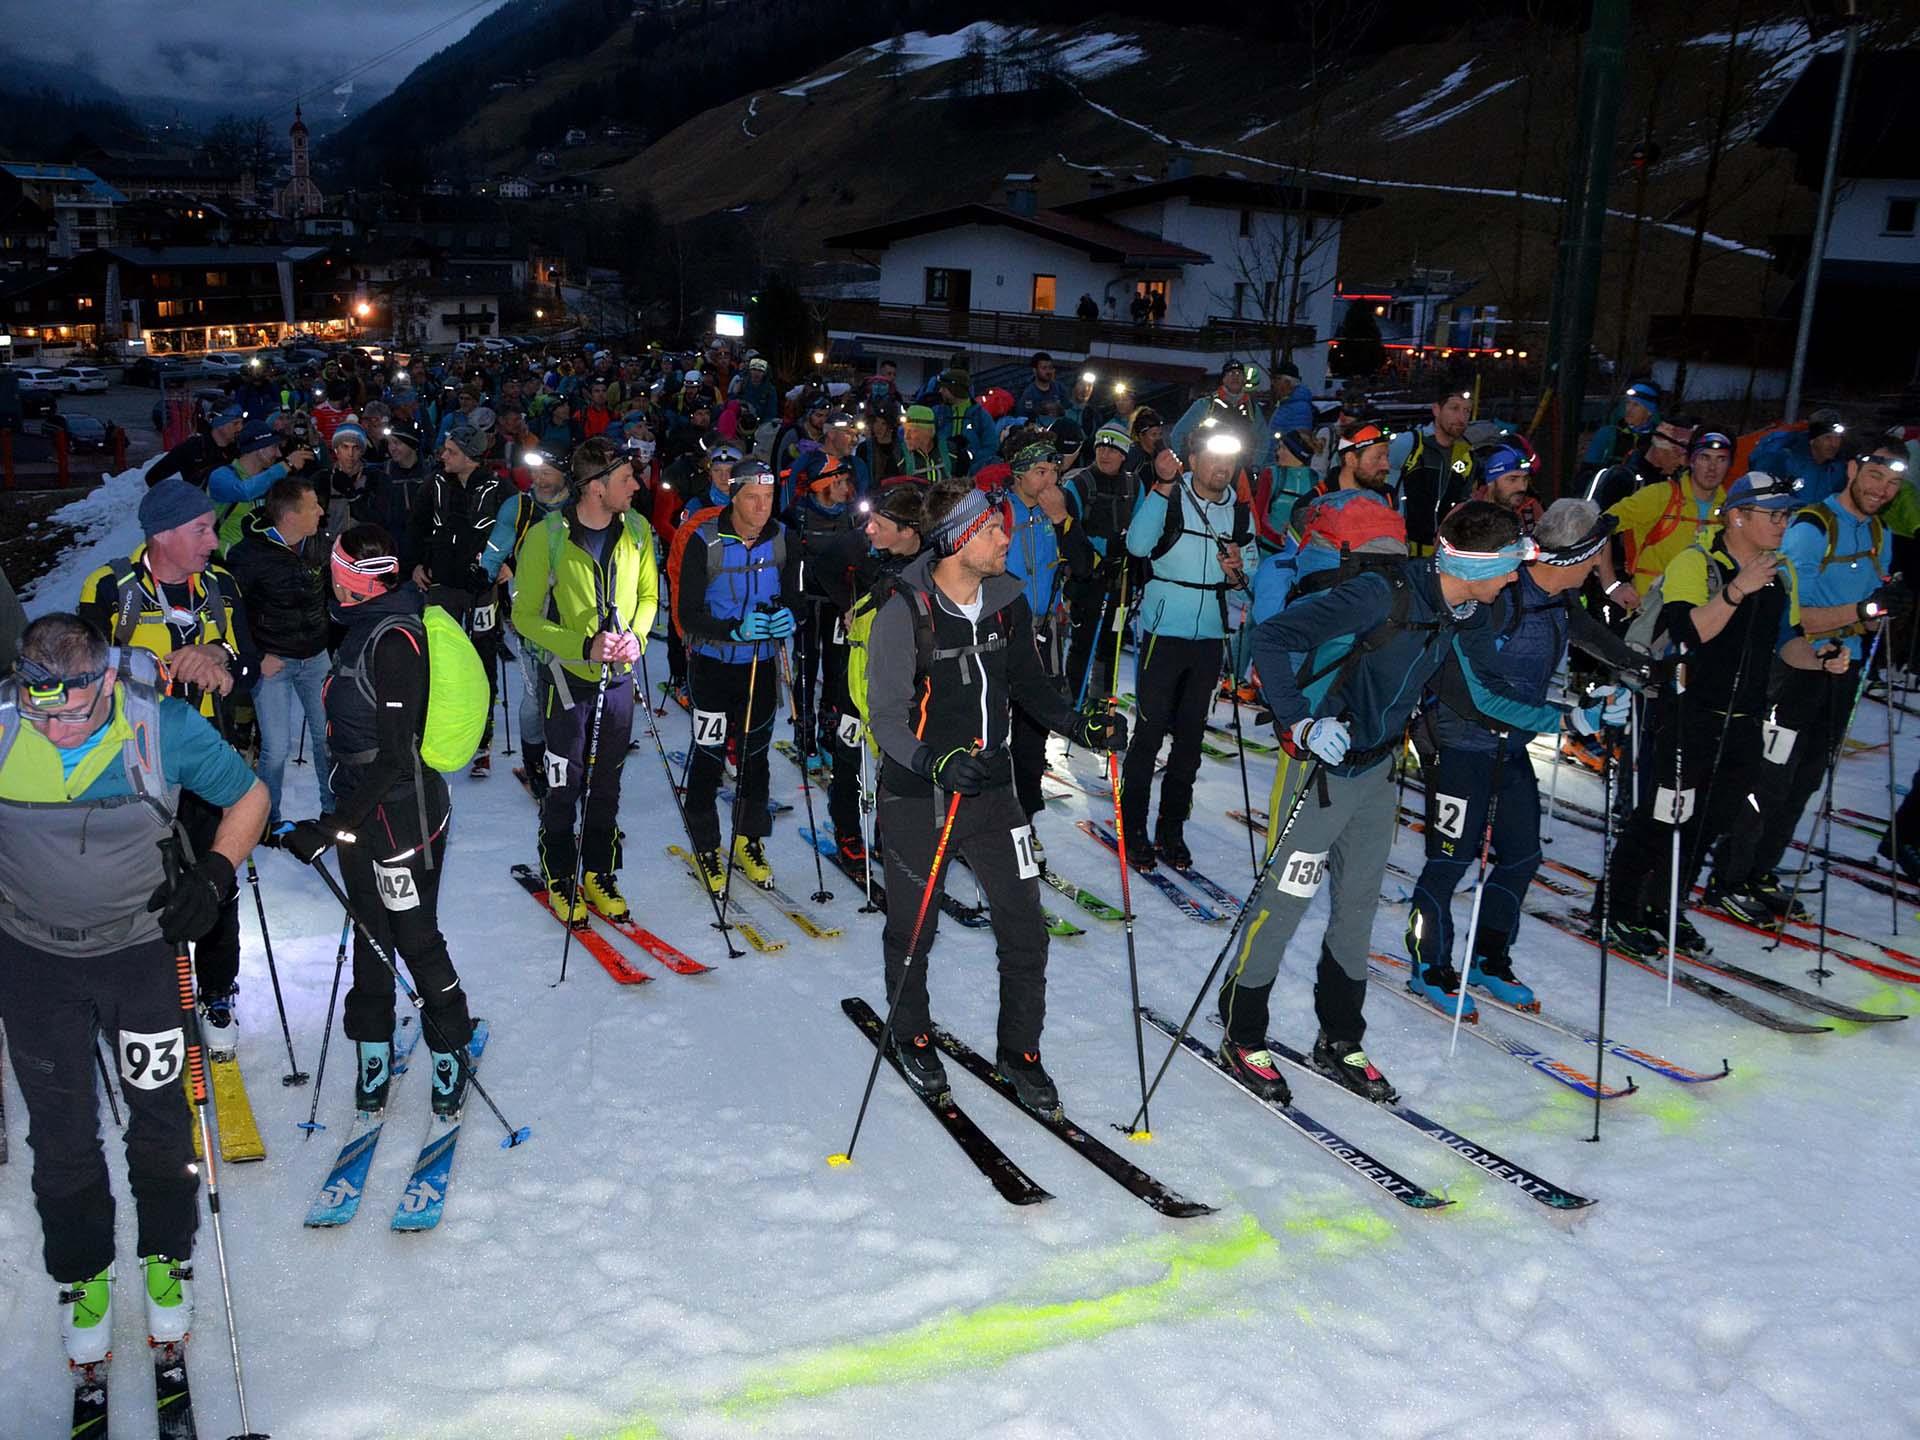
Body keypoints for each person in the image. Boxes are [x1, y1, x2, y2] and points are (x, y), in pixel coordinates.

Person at [1215, 501, 1561, 1106]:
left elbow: (1484, 695)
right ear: (1475, 564)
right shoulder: (1379, 594)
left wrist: (1567, 719)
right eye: (1509, 565)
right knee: (1285, 903)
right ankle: (1242, 1032)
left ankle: (1340, 1037)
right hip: (1319, 770)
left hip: (1377, 773)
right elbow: (1271, 637)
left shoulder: (1468, 611)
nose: (1515, 577)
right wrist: (1300, 722)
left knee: (1357, 908)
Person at [0, 613, 268, 1368]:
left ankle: (165, 1257)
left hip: (141, 955)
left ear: (108, 682)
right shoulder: (5, 729)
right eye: (41, 714)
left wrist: (212, 876)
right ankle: (82, 1272)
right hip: (34, 961)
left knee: (159, 1115)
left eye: (73, 714)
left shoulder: (161, 727)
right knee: (59, 1131)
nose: (56, 731)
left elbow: (250, 798)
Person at [863, 476, 1127, 1105]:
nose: (1006, 536)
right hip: (919, 796)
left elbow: (1030, 687)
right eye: (991, 528)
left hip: (995, 791)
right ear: (958, 541)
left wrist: (1080, 725)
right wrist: (934, 762)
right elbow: (886, 719)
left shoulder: (1007, 601)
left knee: (1026, 929)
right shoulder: (904, 613)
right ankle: (911, 1033)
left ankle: (1020, 1051)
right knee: (914, 930)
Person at [1601, 473, 1850, 959]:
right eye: (1773, 515)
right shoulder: (1697, 562)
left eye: (1786, 514)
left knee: (1709, 822)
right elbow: (1689, 632)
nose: (1782, 523)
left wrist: (1820, 660)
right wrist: (1737, 590)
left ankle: (1665, 905)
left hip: (1744, 720)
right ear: (1737, 516)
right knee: (1662, 817)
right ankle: (1618, 909)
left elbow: (1788, 641)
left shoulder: (1781, 571)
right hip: (1688, 713)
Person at [1406, 500, 1638, 1010]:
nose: (1599, 565)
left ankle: (1489, 958)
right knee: (1450, 860)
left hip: (1510, 745)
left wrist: (1636, 666)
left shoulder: (1558, 597)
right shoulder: (1499, 596)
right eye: (1596, 555)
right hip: (1459, 744)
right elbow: (1475, 690)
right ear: (1577, 555)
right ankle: (1429, 963)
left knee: (1523, 855)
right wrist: (1569, 719)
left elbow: (1584, 630)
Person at [283, 525, 479, 1120]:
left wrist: (333, 824)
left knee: (414, 936)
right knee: (370, 934)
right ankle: (374, 1046)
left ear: (361, 581)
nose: (329, 580)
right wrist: (340, 820)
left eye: (337, 570)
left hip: (402, 816)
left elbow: (395, 755)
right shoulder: (358, 625)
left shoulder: (394, 638)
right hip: (359, 807)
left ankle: (450, 1046)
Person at [77, 478, 261, 1050]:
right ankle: (144, 988)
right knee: (137, 882)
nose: (213, 540)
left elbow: (251, 664)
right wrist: (162, 671)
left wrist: (217, 654)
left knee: (216, 874)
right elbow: (81, 674)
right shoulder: (109, 587)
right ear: (162, 535)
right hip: (132, 762)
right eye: (200, 530)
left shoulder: (222, 585)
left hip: (207, 757)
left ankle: (217, 991)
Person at [1733, 442, 1912, 920]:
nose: (1882, 490)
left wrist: (1884, 610)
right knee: (1770, 777)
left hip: (1843, 668)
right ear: (1852, 470)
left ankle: (1761, 870)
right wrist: (1862, 611)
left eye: (1893, 484)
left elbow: (1867, 614)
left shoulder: (1879, 532)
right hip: (1795, 668)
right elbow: (1795, 616)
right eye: (1875, 477)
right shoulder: (1812, 528)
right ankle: (1730, 875)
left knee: (1806, 780)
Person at [509, 436, 659, 920]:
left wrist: (636, 637)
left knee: (606, 781)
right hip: (566, 679)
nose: (635, 486)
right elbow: (524, 616)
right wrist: (583, 645)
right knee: (564, 783)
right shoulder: (547, 537)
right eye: (625, 479)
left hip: (618, 679)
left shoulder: (637, 529)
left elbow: (649, 596)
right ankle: (558, 871)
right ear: (595, 486)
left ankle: (598, 869)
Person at [1119, 424, 1250, 868]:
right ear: (1193, 461)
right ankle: (1133, 826)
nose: (1221, 467)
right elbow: (1137, 545)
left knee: (1190, 739)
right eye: (1213, 458)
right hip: (1164, 630)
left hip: (1210, 637)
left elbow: (1248, 576)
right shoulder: (1172, 496)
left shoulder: (1239, 514)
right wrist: (1161, 486)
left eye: (1228, 460)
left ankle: (1171, 828)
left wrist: (1237, 570)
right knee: (1150, 731)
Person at [674, 458, 798, 893]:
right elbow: (688, 614)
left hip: (760, 667)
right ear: (733, 495)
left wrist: (789, 617)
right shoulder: (704, 540)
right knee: (708, 757)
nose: (762, 507)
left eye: (768, 497)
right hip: (712, 666)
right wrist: (734, 630)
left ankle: (749, 839)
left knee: (755, 757)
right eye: (752, 497)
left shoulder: (782, 539)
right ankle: (706, 845)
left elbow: (796, 597)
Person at [224, 474, 335, 841]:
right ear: (290, 516)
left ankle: (333, 811)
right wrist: (256, 657)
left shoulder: (317, 542)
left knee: (328, 737)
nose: (321, 511)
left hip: (316, 658)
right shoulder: (248, 555)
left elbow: (329, 592)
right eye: (313, 506)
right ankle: (267, 822)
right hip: (274, 663)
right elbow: (231, 613)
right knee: (275, 748)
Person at [410, 420, 511, 777]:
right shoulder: (435, 483)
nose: (444, 456)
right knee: (437, 658)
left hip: (482, 586)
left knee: (484, 656)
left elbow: (518, 526)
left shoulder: (499, 487)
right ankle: (436, 728)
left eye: (451, 451)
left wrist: (509, 563)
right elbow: (416, 527)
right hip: (442, 584)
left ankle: (482, 737)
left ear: (470, 456)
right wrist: (416, 563)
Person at [481, 445, 573, 801]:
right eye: (534, 472)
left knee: (573, 688)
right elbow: (495, 549)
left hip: (575, 612)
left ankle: (574, 752)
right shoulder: (518, 506)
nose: (538, 479)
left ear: (564, 474)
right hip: (531, 613)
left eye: (546, 472)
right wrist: (486, 571)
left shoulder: (579, 504)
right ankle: (534, 761)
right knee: (536, 694)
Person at [1593, 428, 1731, 613]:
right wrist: (1612, 586)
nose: (1712, 468)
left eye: (1721, 459)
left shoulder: (1732, 509)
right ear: (1691, 460)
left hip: (1706, 615)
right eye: (1705, 457)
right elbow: (1600, 526)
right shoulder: (1660, 496)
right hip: (1650, 614)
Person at [1062, 422, 1138, 702]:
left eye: (1113, 449)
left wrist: (1136, 558)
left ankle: (1102, 699)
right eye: (1100, 447)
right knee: (1083, 641)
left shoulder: (1134, 485)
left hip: (1121, 578)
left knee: (1112, 641)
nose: (1105, 454)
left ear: (1124, 454)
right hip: (1088, 576)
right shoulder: (1079, 484)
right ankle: (1074, 700)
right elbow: (1069, 531)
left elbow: (1141, 528)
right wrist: (1104, 547)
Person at [1387, 382, 1479, 555]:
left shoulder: (1467, 455)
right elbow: (1382, 490)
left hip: (1443, 554)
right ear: (1436, 410)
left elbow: (1463, 502)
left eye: (1467, 410)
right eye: (1454, 408)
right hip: (1402, 550)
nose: (1461, 417)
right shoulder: (1410, 443)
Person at [208, 417, 318, 553]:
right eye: (274, 447)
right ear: (259, 449)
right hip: (226, 558)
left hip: (261, 557)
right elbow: (244, 492)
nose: (278, 453)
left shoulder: (271, 479)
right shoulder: (220, 476)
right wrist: (287, 464)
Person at [1169, 358, 1272, 467]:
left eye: (1239, 374)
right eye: (1231, 373)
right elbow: (1178, 434)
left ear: (1244, 380)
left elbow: (1264, 439)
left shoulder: (1252, 408)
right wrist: (1188, 461)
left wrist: (1256, 466)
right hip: (1209, 467)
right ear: (1223, 379)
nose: (1235, 377)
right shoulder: (1206, 404)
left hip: (1241, 468)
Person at [1749, 408, 1851, 508]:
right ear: (1812, 440)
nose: (1834, 444)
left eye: (1838, 438)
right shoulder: (1784, 460)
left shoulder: (1837, 469)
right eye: (1827, 438)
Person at [146, 403, 244, 491]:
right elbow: (152, 478)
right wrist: (179, 496)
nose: (240, 428)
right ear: (219, 424)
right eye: (235, 424)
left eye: (241, 423)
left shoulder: (240, 448)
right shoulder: (191, 448)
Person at [1582, 380, 1661, 476]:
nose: (1629, 409)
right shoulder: (1608, 434)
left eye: (1636, 405)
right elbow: (1586, 472)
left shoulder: (1660, 440)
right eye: (1628, 403)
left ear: (1649, 411)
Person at [1015, 352, 1066, 419]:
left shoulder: (1059, 388)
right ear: (1035, 370)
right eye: (1044, 368)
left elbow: (1068, 410)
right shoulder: (1027, 393)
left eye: (1050, 367)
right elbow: (1021, 419)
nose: (1048, 371)